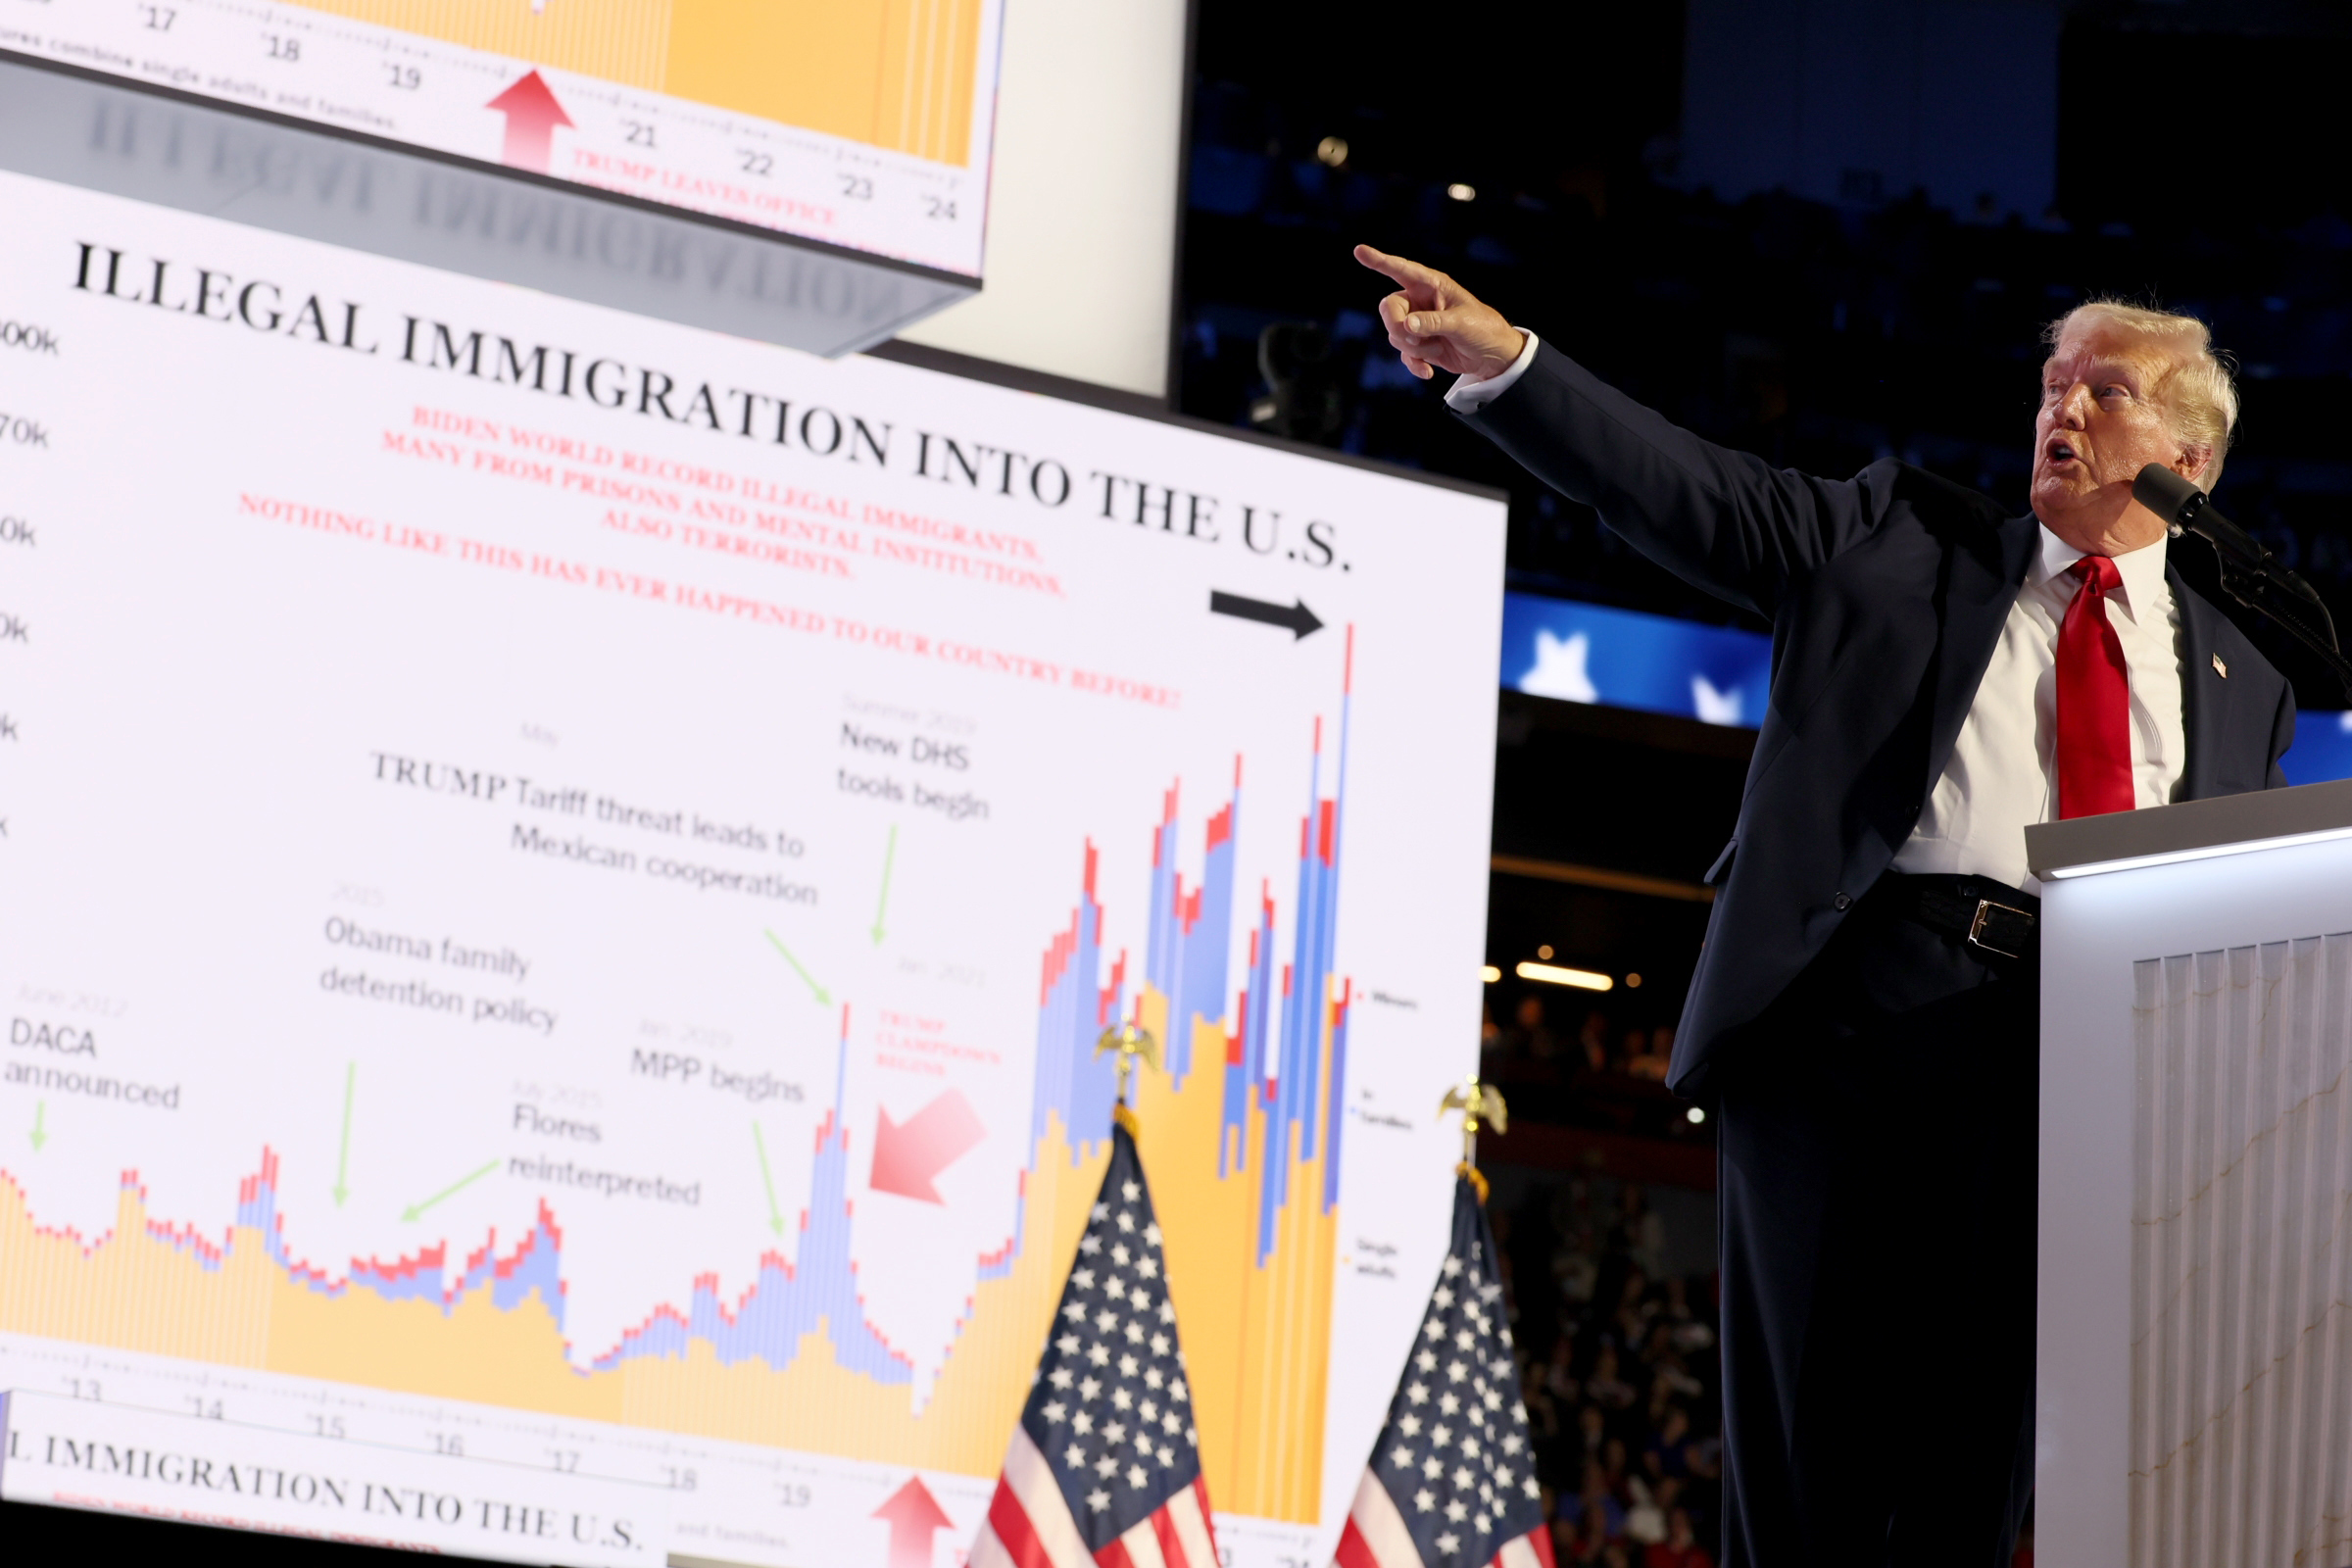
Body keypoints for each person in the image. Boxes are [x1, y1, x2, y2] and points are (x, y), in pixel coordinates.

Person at [1354, 244, 2294, 1565]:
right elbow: (1689, 493)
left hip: (2080, 1077)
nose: (2063, 410)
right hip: (1860, 1029)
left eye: (2108, 391)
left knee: (1975, 1480)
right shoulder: (1897, 538)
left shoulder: (2247, 673)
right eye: (2053, 384)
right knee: (1811, 1470)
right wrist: (1509, 363)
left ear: (2188, 464)